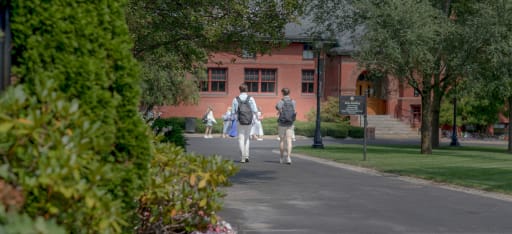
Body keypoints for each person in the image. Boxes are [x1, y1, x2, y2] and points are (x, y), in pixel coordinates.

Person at [232, 83, 258, 163]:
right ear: (246, 90)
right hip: (249, 120)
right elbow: (255, 110)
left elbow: (233, 112)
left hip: (240, 120)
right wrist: (256, 118)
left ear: (239, 89)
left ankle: (242, 157)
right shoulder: (251, 98)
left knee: (241, 139)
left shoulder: (235, 99)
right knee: (247, 139)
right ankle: (246, 156)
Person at [276, 87, 296, 164]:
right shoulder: (293, 101)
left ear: (282, 93)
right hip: (290, 123)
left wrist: (279, 111)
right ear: (289, 93)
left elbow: (277, 107)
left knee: (282, 140)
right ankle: (288, 158)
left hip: (282, 123)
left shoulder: (281, 101)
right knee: (289, 140)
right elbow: (294, 111)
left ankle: (281, 158)